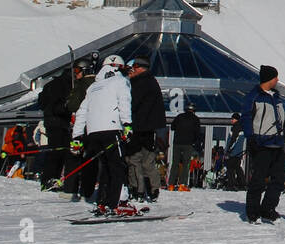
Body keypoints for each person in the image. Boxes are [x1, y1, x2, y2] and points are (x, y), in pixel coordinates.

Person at [71, 55, 132, 216]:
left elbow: (82, 112)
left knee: (105, 168)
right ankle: (115, 204)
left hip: (93, 132)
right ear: (119, 67)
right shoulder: (120, 81)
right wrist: (127, 124)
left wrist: (76, 136)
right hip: (112, 129)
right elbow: (124, 101)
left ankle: (102, 203)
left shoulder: (93, 87)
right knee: (118, 167)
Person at [239, 65, 285, 223]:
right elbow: (246, 117)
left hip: (277, 144)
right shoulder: (254, 96)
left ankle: (268, 207)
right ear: (269, 78)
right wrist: (251, 137)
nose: (277, 80)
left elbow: (281, 118)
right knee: (258, 180)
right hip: (261, 143)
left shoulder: (276, 97)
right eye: (276, 77)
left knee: (279, 178)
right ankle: (253, 212)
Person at [125, 56, 163, 203]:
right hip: (149, 128)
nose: (131, 72)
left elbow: (132, 104)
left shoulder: (139, 83)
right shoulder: (152, 81)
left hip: (139, 127)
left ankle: (137, 189)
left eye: (133, 69)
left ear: (140, 68)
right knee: (148, 161)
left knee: (134, 160)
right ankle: (154, 189)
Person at [61, 58, 97, 199]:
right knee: (91, 159)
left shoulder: (82, 84)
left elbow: (73, 105)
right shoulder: (100, 83)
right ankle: (87, 190)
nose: (76, 75)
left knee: (74, 157)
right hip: (95, 126)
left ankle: (70, 189)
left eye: (77, 71)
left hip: (81, 126)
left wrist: (69, 101)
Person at [169, 103, 202, 190]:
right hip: (188, 144)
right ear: (193, 111)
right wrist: (194, 141)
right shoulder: (195, 119)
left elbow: (172, 127)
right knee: (185, 164)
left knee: (175, 163)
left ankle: (171, 184)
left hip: (177, 142)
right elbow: (197, 133)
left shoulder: (179, 117)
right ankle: (182, 184)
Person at [224, 112, 246, 189]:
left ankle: (231, 184)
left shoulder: (235, 128)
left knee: (230, 168)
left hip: (233, 152)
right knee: (237, 168)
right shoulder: (242, 128)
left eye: (232, 119)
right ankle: (242, 184)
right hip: (239, 153)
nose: (231, 120)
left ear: (236, 119)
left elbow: (234, 140)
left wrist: (229, 150)